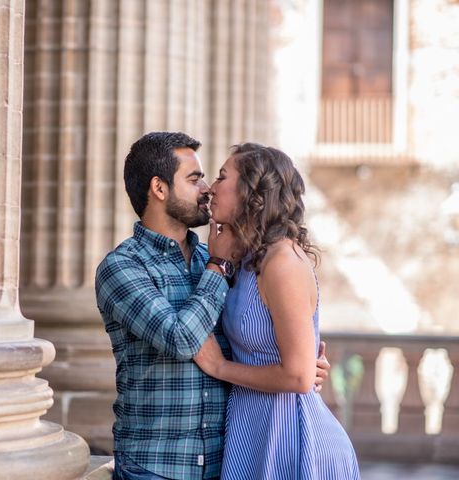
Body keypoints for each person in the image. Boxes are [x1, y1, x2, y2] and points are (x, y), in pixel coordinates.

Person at [95, 132, 330, 480]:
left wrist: (299, 366)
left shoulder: (219, 259)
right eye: (194, 179)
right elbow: (181, 340)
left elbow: (251, 338)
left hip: (228, 461)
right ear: (159, 189)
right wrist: (218, 267)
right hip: (157, 466)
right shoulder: (123, 268)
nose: (206, 188)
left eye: (211, 177)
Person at [194, 143, 360, 479]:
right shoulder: (245, 259)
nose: (211, 187)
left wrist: (219, 366)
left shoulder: (282, 262)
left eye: (222, 177)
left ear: (250, 192)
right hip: (253, 430)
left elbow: (299, 376)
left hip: (292, 440)